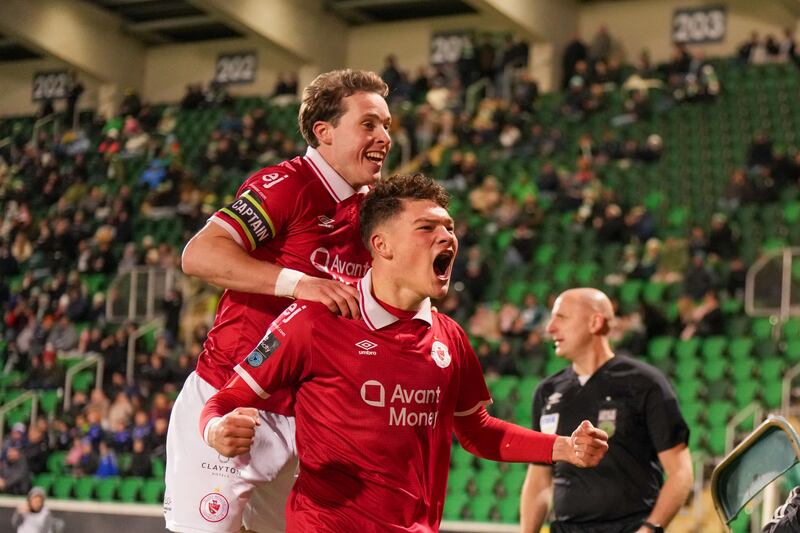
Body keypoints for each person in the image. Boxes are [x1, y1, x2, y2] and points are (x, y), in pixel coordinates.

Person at [199, 174, 609, 531]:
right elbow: (225, 398)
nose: (446, 236)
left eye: (449, 227)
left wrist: (563, 448)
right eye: (426, 228)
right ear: (382, 245)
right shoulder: (313, 320)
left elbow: (477, 431)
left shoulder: (450, 338)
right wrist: (216, 430)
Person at [166, 69, 392, 533]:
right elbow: (199, 254)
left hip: (306, 419)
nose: (384, 137)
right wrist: (298, 283)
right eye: (369, 124)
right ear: (323, 132)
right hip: (232, 404)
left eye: (387, 125)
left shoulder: (373, 209)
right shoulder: (288, 183)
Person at [520, 288, 693, 533]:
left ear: (595, 322)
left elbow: (681, 471)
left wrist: (649, 529)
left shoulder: (646, 383)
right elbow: (539, 479)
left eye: (561, 317)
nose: (550, 328)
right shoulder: (547, 392)